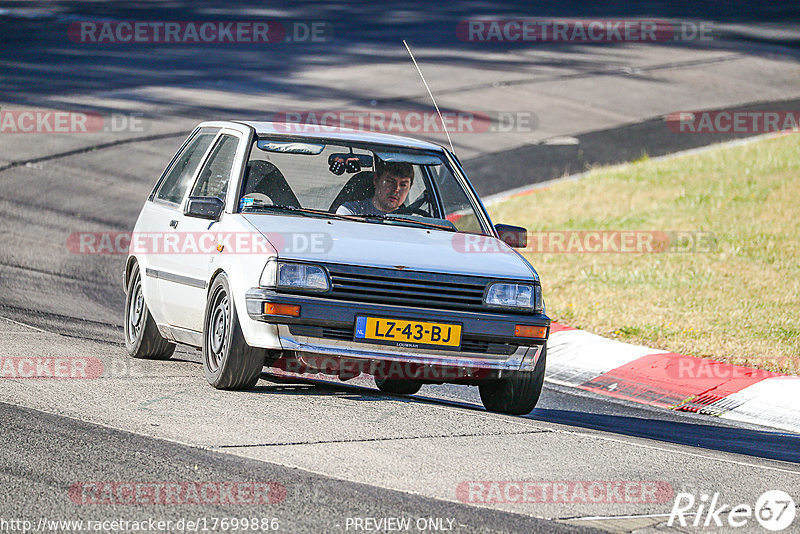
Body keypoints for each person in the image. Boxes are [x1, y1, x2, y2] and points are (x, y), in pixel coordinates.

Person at [336, 161, 414, 216]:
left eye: (403, 185)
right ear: (376, 180)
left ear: (409, 188)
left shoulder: (415, 221)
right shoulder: (350, 212)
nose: (396, 189)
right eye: (390, 182)